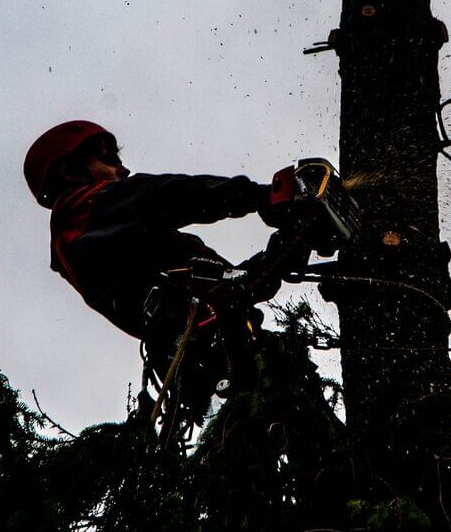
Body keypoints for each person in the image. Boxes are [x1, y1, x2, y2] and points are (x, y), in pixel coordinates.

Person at [23, 119, 285, 407]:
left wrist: (283, 250)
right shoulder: (79, 211)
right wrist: (264, 196)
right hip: (195, 346)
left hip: (214, 344)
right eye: (109, 159)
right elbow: (166, 196)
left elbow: (235, 281)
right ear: (70, 171)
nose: (122, 170)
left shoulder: (134, 236)